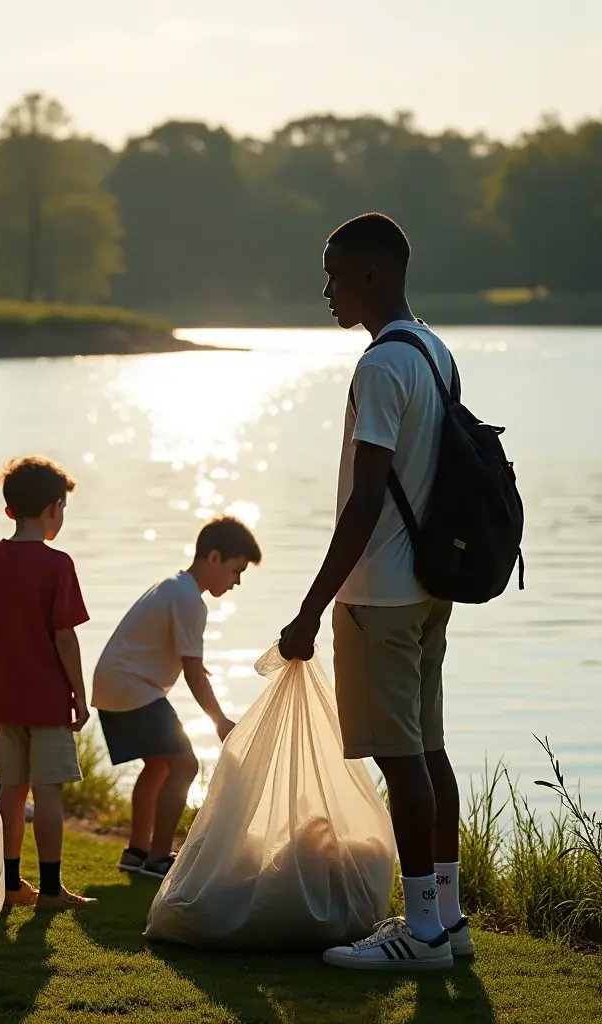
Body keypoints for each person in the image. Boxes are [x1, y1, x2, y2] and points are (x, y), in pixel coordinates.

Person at [279, 213, 468, 971]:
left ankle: (421, 931)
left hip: (381, 593)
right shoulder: (434, 349)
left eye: (333, 273)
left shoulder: (382, 366)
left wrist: (310, 608)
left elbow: (364, 501)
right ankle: (448, 919)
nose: (325, 289)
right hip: (427, 585)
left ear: (372, 275)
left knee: (400, 760)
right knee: (427, 749)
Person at [92, 517, 261, 880]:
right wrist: (220, 722)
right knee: (185, 764)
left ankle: (137, 852)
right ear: (214, 558)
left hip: (113, 684)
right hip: (131, 685)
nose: (237, 582)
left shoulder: (174, 587)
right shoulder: (189, 600)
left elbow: (181, 657)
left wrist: (198, 671)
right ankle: (158, 858)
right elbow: (192, 672)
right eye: (237, 571)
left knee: (159, 765)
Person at [0, 456, 96, 911]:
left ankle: (8, 884)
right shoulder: (57, 564)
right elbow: (65, 636)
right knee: (47, 793)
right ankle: (49, 889)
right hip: (46, 700)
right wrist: (79, 695)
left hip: (6, 696)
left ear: (9, 511)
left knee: (12, 790)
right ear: (53, 508)